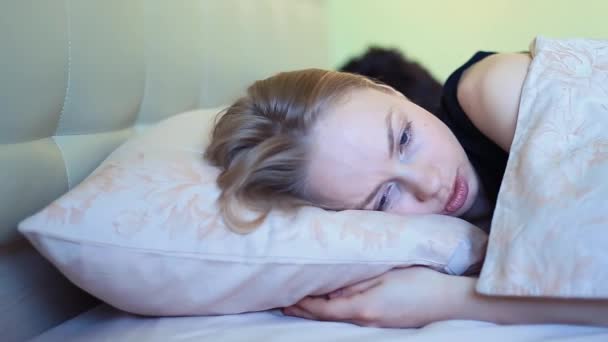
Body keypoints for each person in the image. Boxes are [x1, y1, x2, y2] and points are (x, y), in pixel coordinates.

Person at [205, 50, 608, 327]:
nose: (430, 183)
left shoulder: (493, 88)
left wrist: (451, 300)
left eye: (404, 138)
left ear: (389, 91)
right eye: (383, 198)